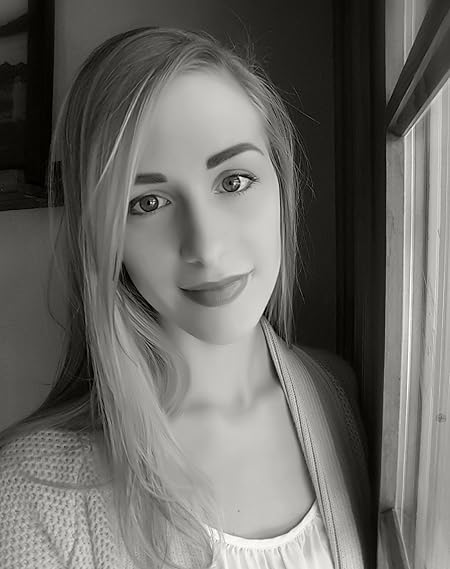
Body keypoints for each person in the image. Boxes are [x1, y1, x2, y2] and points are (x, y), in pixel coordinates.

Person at [0, 27, 375, 569]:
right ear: (104, 238)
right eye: (147, 203)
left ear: (281, 183)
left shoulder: (337, 395)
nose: (206, 246)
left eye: (234, 181)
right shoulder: (31, 495)